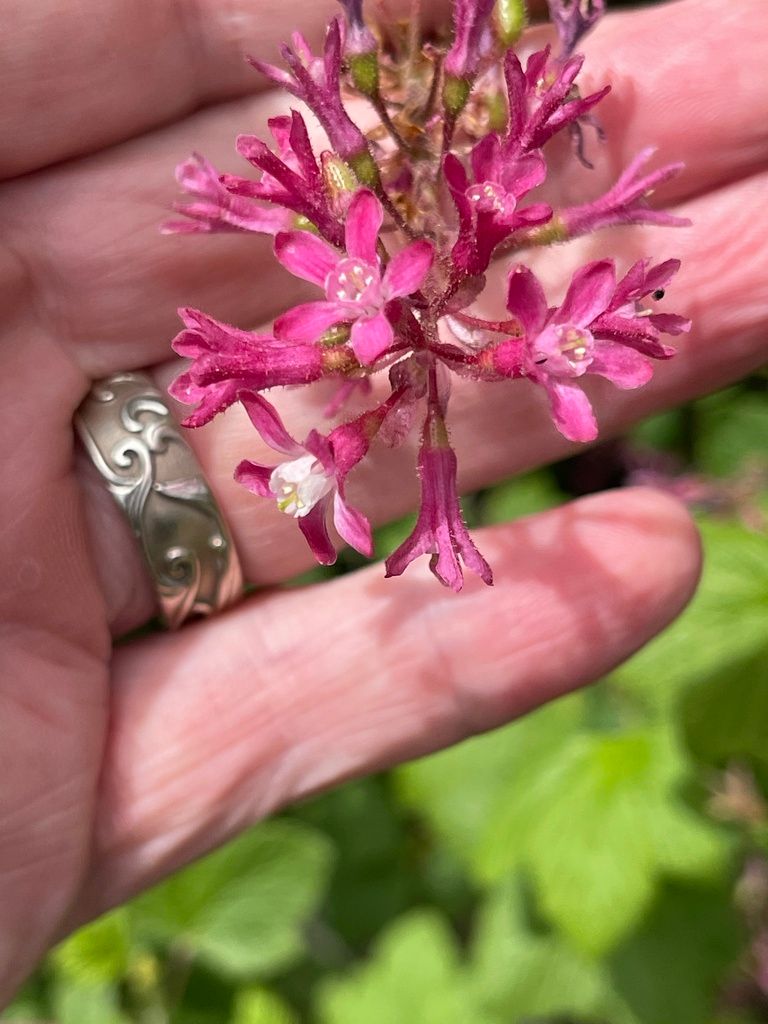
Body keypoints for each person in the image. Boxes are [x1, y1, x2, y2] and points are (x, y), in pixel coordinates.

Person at [0, 0, 765, 1004]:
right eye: (353, 276)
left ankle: (462, 461)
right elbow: (362, 290)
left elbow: (399, 281)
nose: (365, 283)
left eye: (367, 276)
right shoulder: (357, 277)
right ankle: (433, 497)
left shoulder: (426, 260)